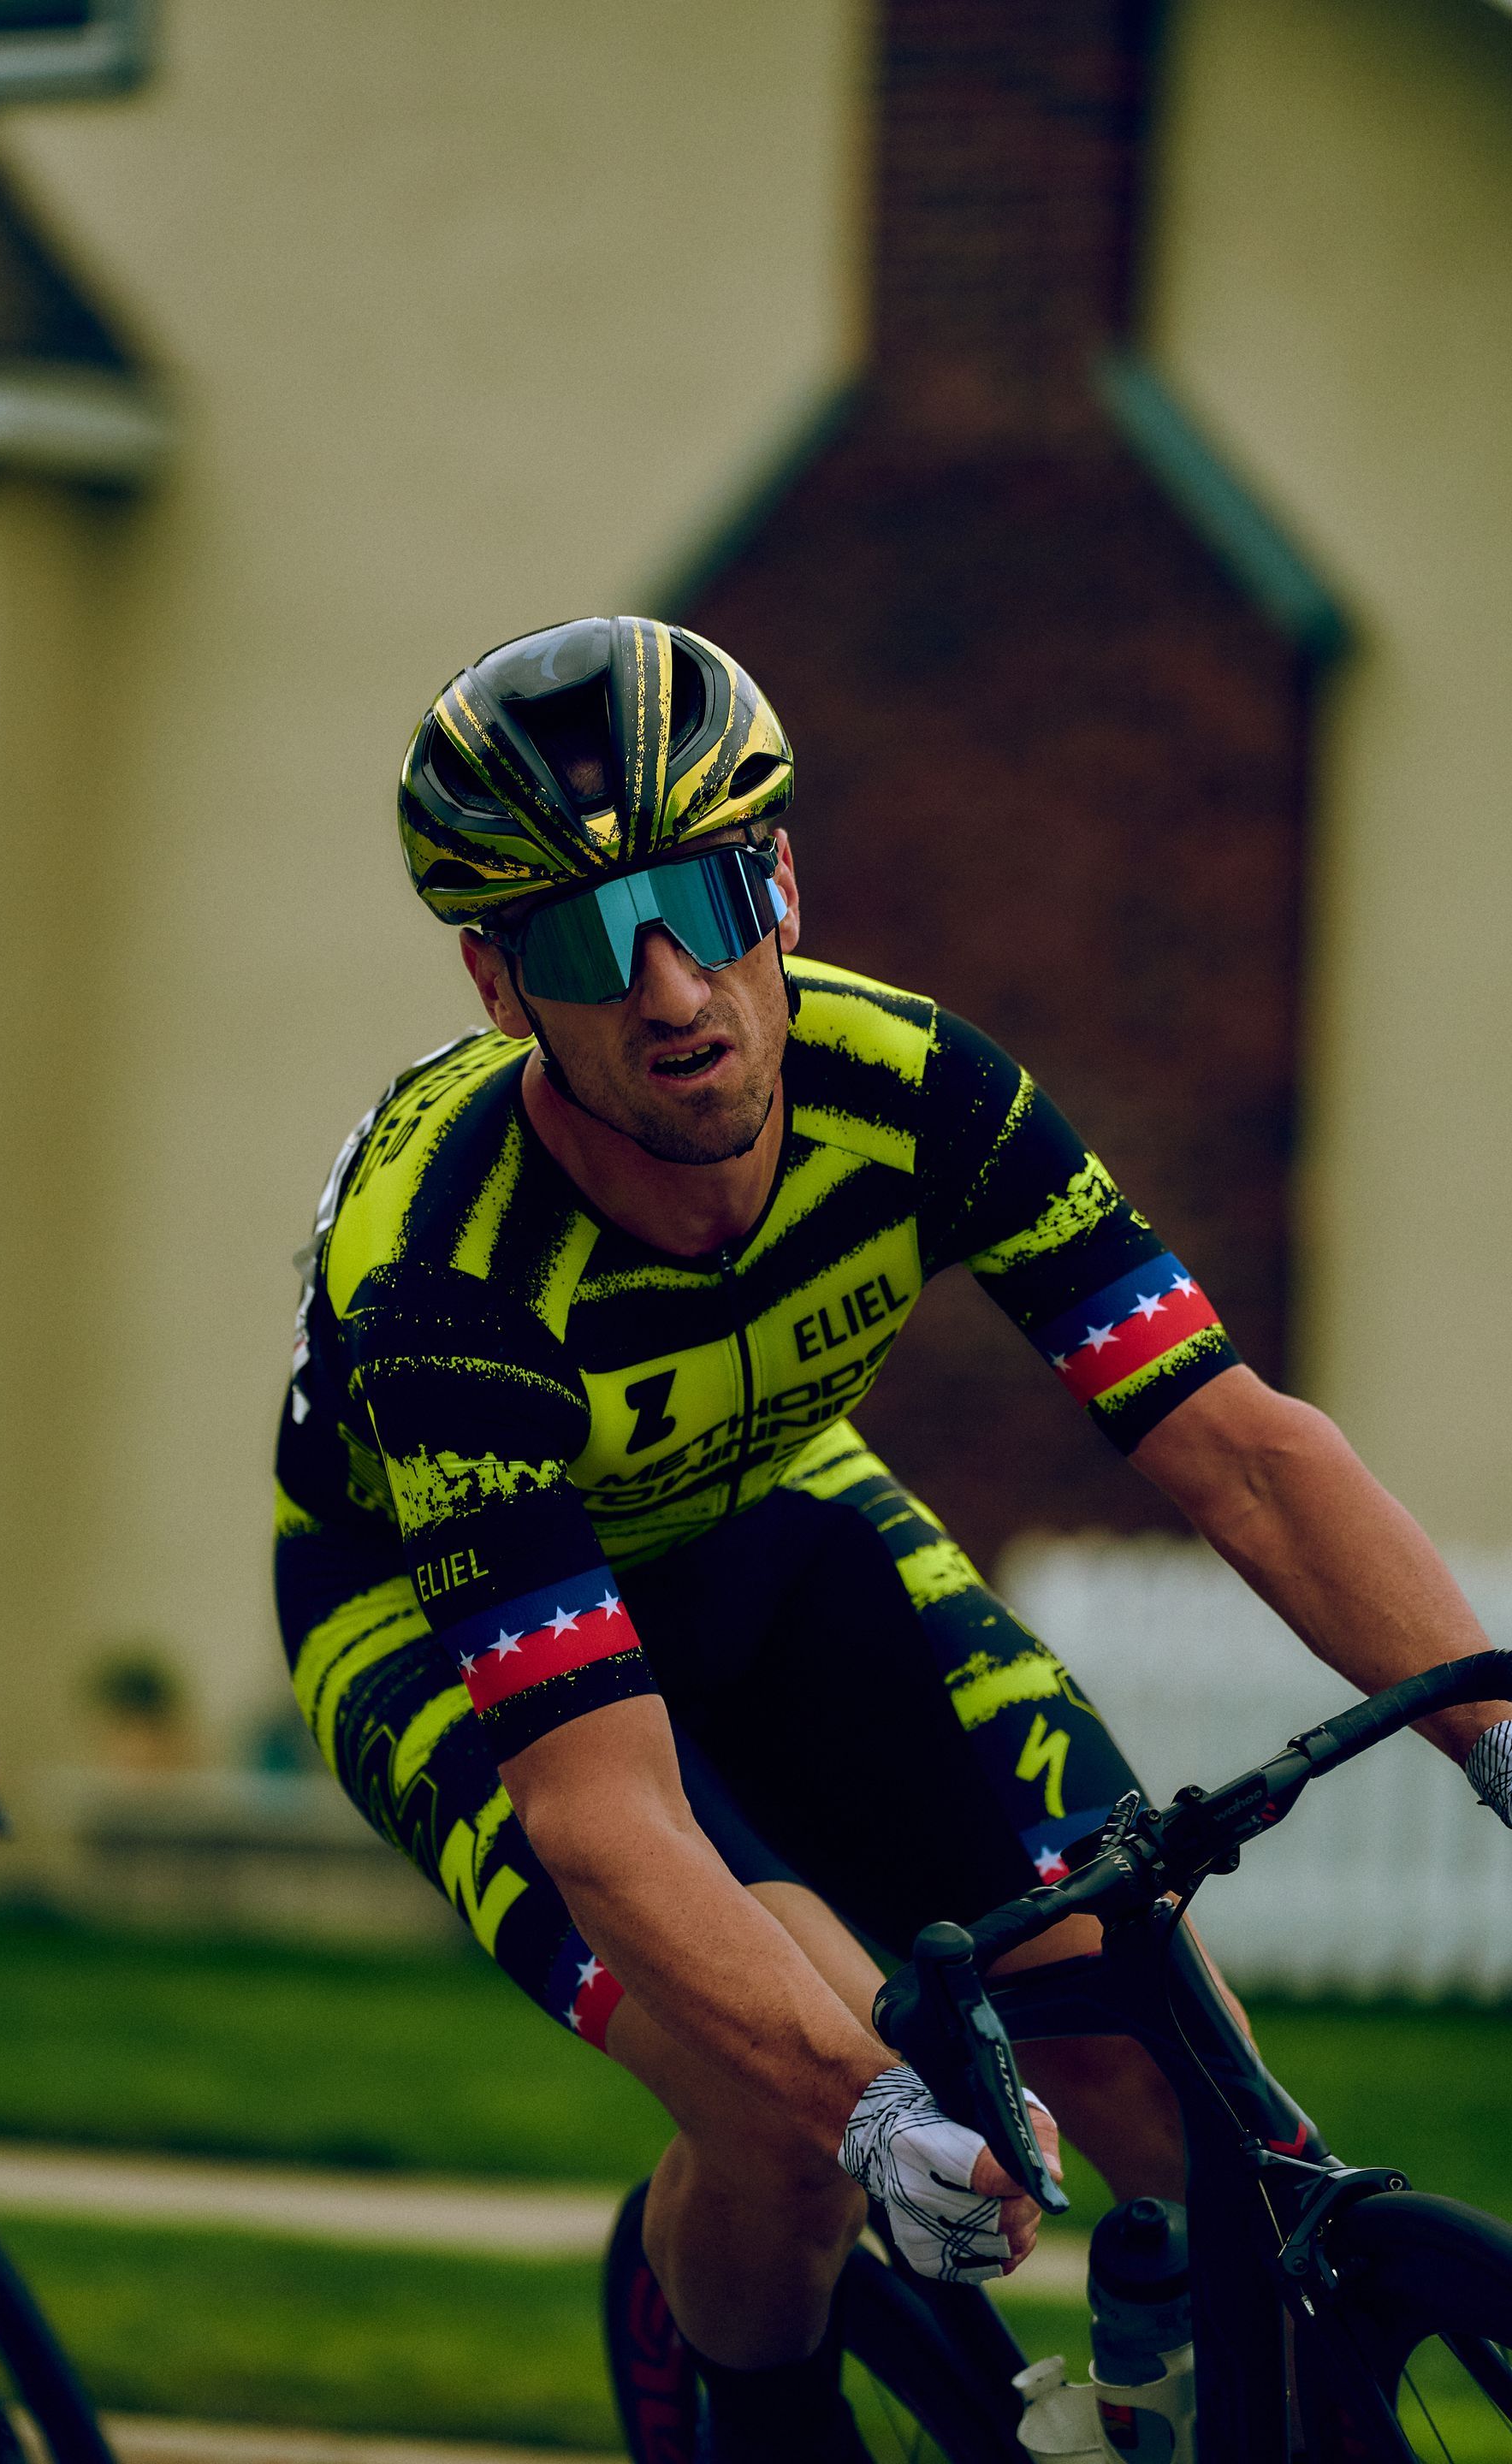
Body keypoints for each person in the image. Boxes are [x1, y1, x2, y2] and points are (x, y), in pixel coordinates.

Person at [274, 617, 1512, 2462]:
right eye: (589, 938)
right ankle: (752, 2421)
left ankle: (1186, 2364)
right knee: (793, 2103)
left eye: (709, 894)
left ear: (787, 878)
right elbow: (604, 1808)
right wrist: (860, 2105)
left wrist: (1489, 1731)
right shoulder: (450, 1270)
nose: (677, 990)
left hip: (781, 1519)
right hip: (455, 1627)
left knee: (1184, 2078)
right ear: (496, 980)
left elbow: (1244, 1455)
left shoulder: (922, 1088)